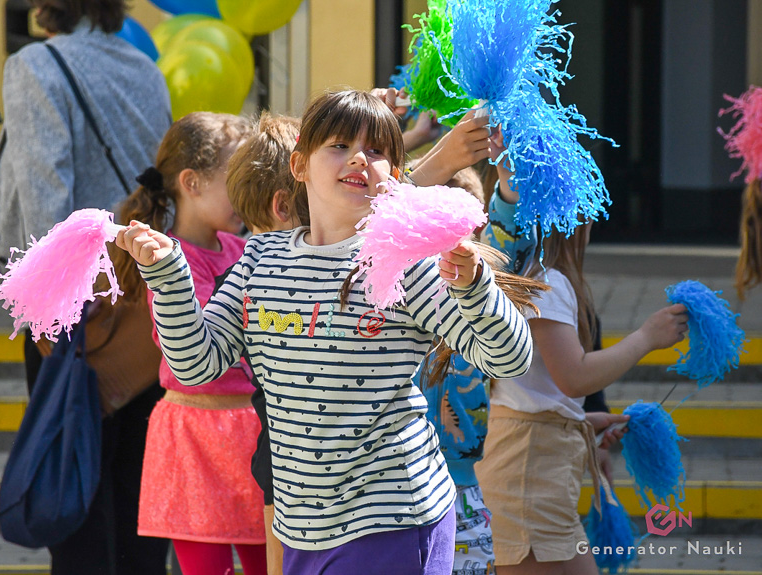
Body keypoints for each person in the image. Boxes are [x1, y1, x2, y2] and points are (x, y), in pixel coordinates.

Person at [117, 89, 533, 575]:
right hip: (301, 530)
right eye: (338, 144)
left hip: (393, 521)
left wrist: (475, 287)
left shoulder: (404, 264)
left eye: (376, 151)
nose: (359, 157)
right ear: (299, 166)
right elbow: (195, 365)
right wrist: (169, 278)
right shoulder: (259, 259)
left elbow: (510, 359)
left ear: (395, 177)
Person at [0, 0, 171, 573]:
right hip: (146, 311)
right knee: (140, 501)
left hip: (74, 312)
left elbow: (46, 201)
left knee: (75, 501)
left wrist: (45, 322)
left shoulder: (34, 65)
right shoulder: (146, 67)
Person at [472, 139, 689, 575]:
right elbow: (573, 377)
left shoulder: (544, 277)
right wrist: (646, 337)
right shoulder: (548, 279)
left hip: (534, 460)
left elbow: (540, 391)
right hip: (527, 469)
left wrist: (583, 423)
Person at [111, 112, 266, 575]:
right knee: (205, 566)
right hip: (194, 437)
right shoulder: (168, 260)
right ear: (192, 183)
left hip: (253, 431)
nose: (247, 195)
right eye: (237, 180)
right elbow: (196, 344)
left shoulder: (242, 248)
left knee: (268, 562)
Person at [224, 112, 304, 575]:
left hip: (277, 462)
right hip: (286, 469)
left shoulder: (250, 264)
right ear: (285, 206)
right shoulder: (265, 272)